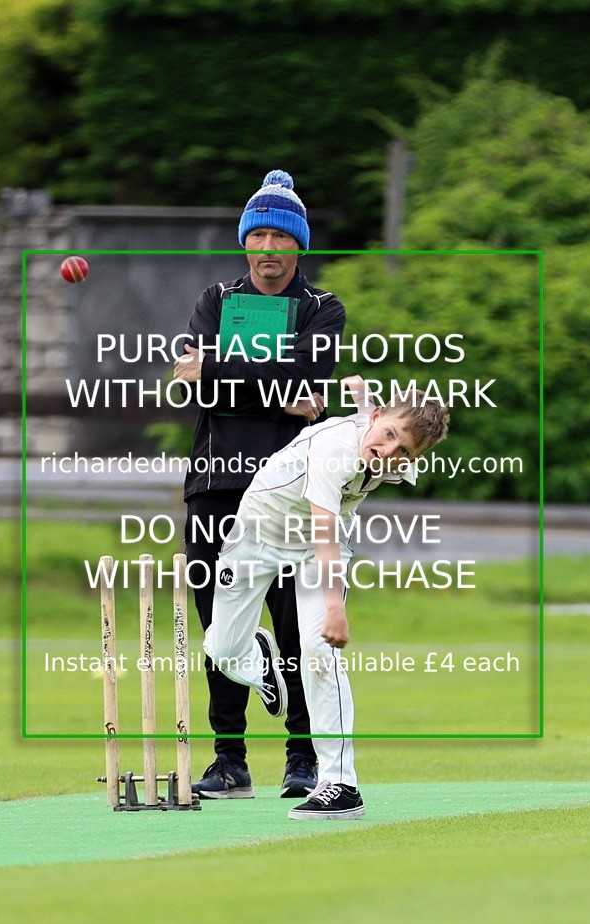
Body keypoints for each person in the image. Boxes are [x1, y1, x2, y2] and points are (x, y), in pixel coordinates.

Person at [203, 376, 450, 819]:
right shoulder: (334, 449)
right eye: (389, 435)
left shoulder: (387, 446)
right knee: (221, 652)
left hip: (319, 547)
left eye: (405, 452)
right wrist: (336, 609)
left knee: (319, 653)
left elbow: (372, 427)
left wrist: (363, 398)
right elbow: (323, 525)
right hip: (259, 530)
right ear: (377, 420)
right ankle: (261, 662)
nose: (389, 453)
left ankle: (340, 784)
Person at [173, 169, 346, 799]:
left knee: (296, 622)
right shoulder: (215, 301)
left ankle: (302, 757)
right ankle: (229, 760)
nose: (269, 250)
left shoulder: (322, 309)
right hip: (215, 484)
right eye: (259, 236)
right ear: (246, 243)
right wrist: (276, 387)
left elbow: (306, 373)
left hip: (288, 490)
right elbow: (197, 379)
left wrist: (221, 367)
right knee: (219, 621)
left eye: (282, 237)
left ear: (298, 246)